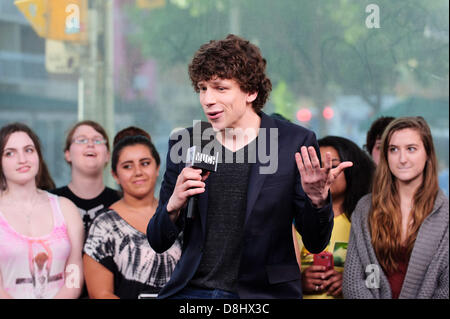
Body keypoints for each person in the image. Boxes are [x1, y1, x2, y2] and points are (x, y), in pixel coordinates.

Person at [147, 34, 352, 299]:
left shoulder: (292, 142)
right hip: (194, 291)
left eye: (220, 88)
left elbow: (314, 242)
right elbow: (158, 240)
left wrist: (317, 200)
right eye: (202, 88)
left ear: (251, 92)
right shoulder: (187, 142)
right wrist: (173, 205)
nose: (208, 99)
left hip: (262, 293)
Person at [343, 117, 449, 299]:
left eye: (411, 149)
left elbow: (445, 288)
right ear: (386, 156)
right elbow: (353, 281)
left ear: (428, 154)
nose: (402, 159)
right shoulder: (365, 208)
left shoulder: (445, 215)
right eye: (393, 150)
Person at [83, 135, 181, 299]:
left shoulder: (178, 215)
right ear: (115, 175)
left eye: (145, 163)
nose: (138, 172)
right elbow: (100, 294)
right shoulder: (104, 225)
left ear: (157, 168)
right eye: (127, 166)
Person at [0, 123, 84, 299]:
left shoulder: (66, 208)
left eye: (29, 150)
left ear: (38, 156)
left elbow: (74, 276)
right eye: (10, 153)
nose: (22, 159)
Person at [295, 136, 375, 299]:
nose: (325, 174)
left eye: (333, 166)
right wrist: (298, 282)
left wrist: (352, 284)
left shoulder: (369, 222)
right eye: (317, 167)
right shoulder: (292, 221)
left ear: (353, 170)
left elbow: (381, 279)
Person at [50, 120, 120, 235]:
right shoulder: (51, 202)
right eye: (82, 140)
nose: (90, 144)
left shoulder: (121, 202)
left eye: (97, 140)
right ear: (67, 154)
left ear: (108, 155)